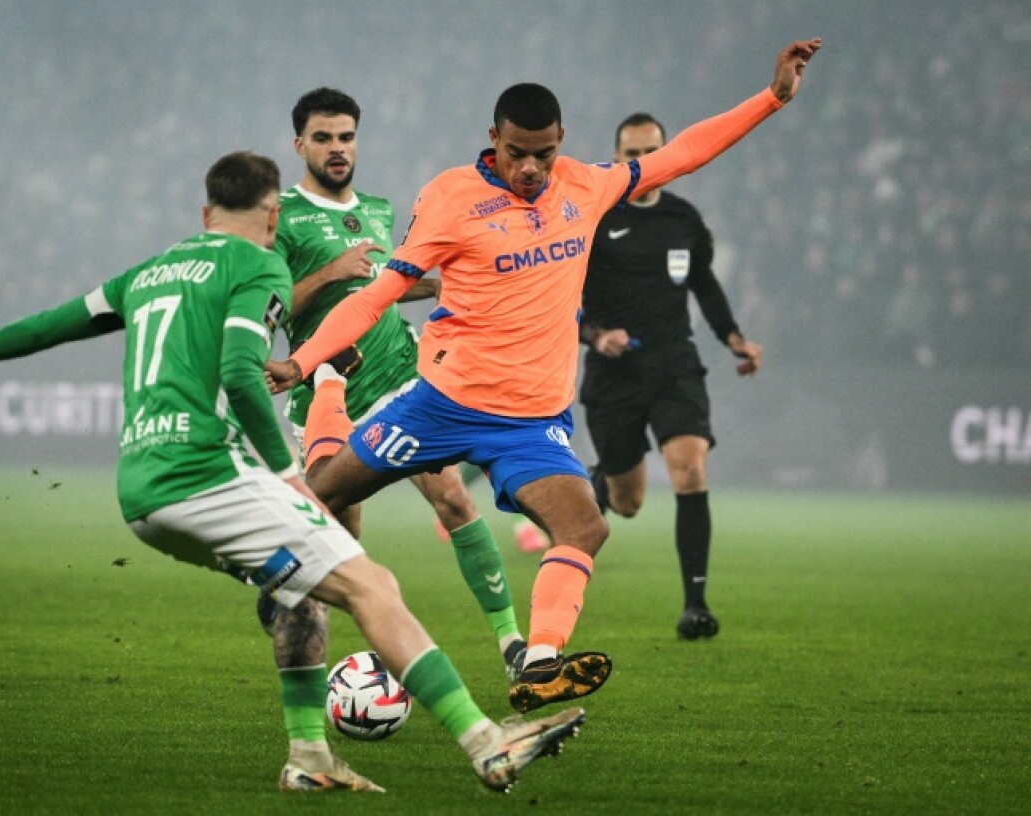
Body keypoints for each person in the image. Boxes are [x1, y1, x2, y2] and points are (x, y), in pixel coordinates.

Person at [0, 151, 586, 795]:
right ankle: (486, 742)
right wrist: (289, 476)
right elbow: (238, 371)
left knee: (303, 592)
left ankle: (310, 756)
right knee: (373, 584)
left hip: (139, 487)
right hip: (208, 474)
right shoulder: (260, 268)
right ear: (273, 218)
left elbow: (59, 322)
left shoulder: (151, 270)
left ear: (205, 215)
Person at [266, 39, 822, 715]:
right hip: (441, 404)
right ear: (492, 139)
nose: (530, 168)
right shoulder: (450, 199)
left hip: (531, 422)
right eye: (516, 153)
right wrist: (301, 361)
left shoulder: (587, 186)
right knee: (319, 502)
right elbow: (375, 295)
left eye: (544, 154)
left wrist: (773, 98)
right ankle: (278, 579)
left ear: (563, 141)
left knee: (586, 528)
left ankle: (538, 664)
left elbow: (684, 154)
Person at [265, 88, 528, 678]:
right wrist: (331, 271)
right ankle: (333, 668)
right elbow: (271, 303)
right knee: (339, 542)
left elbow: (383, 285)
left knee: (455, 498)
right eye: (325, 138)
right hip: (326, 391)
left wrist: (435, 286)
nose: (338, 149)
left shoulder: (381, 208)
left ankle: (512, 643)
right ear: (300, 144)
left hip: (397, 380)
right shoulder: (283, 217)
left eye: (347, 137)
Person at [580, 112, 765, 641]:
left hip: (673, 363)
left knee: (690, 469)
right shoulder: (594, 218)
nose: (644, 163)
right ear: (616, 160)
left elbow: (703, 285)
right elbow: (561, 298)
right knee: (628, 502)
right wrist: (596, 336)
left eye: (653, 151)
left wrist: (734, 338)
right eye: (633, 154)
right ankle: (598, 484)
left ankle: (696, 606)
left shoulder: (684, 219)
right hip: (613, 372)